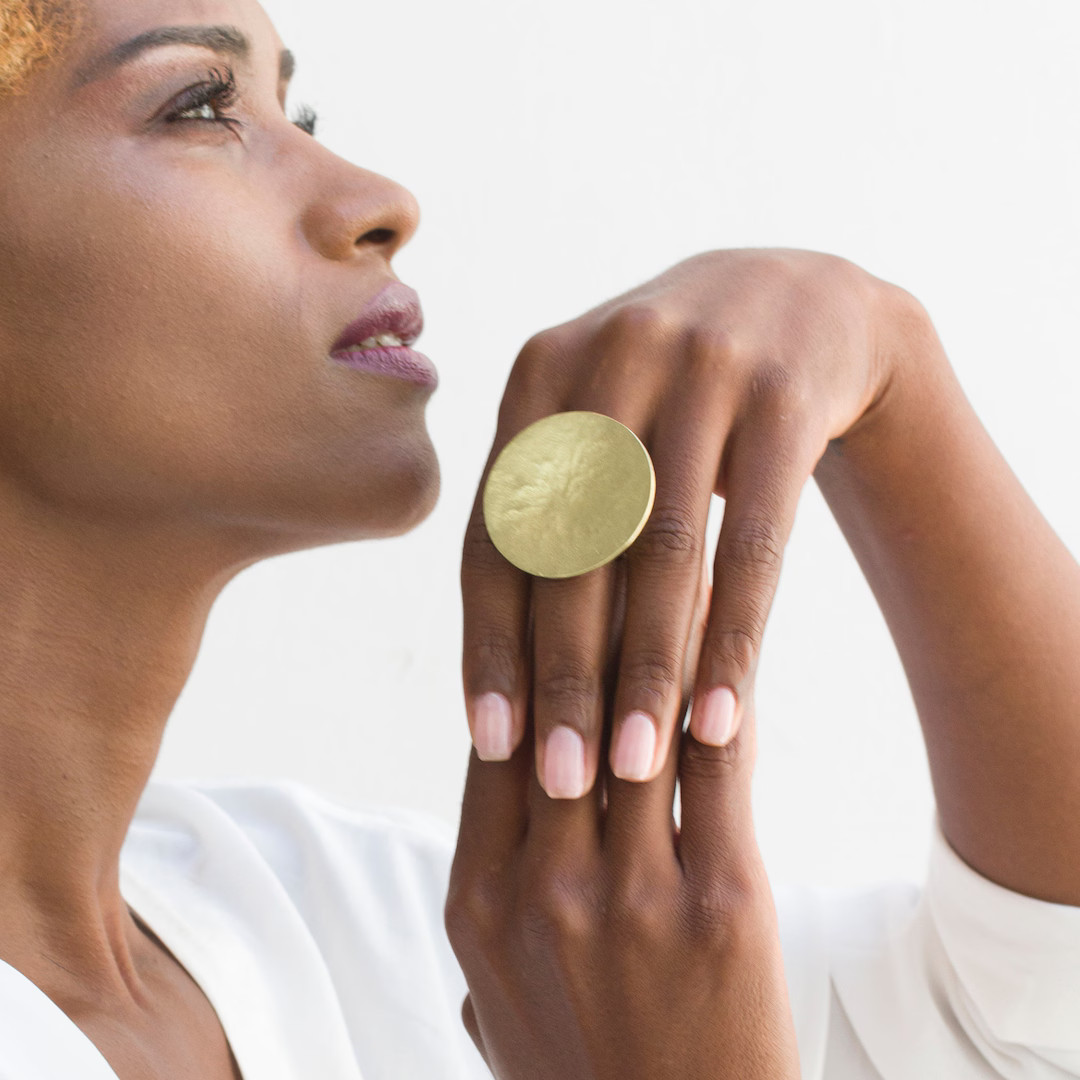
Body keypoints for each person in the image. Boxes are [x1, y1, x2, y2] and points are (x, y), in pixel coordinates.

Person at [1, 1, 1078, 1078]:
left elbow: (1027, 1011)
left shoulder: (370, 921)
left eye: (303, 109)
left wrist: (894, 375)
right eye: (201, 106)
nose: (381, 201)